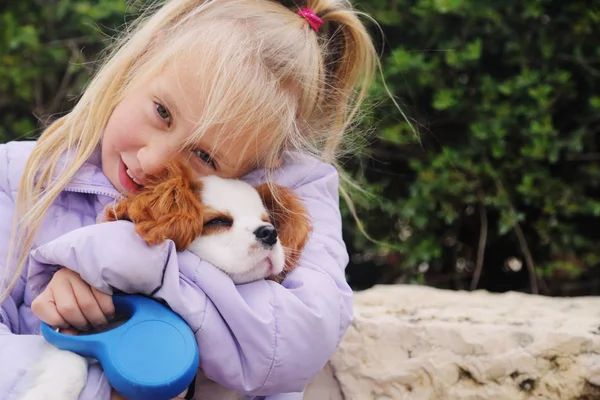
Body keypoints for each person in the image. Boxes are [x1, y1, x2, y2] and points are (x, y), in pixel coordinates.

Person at [0, 0, 381, 398]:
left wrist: (123, 258)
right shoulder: (21, 176)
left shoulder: (282, 196)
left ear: (262, 164)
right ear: (145, 58)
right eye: (162, 111)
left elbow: (297, 339)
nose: (152, 160)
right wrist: (109, 387)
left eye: (204, 157)